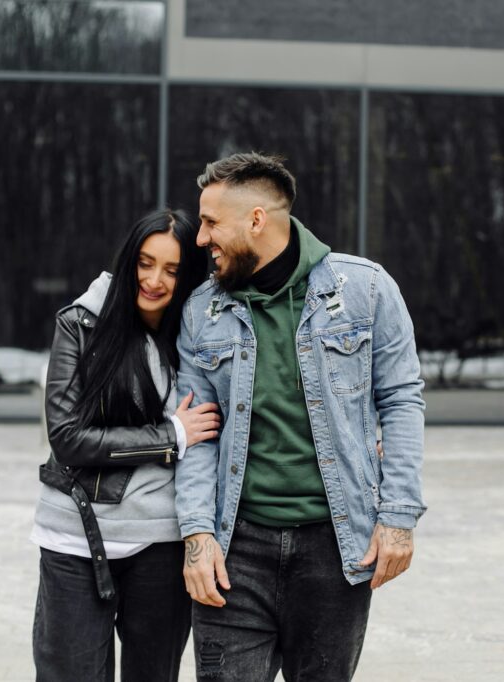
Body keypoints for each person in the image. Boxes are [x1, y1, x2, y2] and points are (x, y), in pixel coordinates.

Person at [175, 153, 426, 680]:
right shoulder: (203, 310)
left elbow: (402, 400)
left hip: (334, 550)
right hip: (234, 551)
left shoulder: (367, 289)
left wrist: (398, 518)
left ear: (257, 220)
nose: (200, 238)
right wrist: (197, 537)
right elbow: (199, 434)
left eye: (211, 222)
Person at [30, 209, 220, 682]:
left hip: (160, 541)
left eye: (172, 270)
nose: (154, 280)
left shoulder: (195, 337)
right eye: (145, 262)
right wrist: (169, 436)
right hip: (75, 536)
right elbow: (68, 437)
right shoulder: (81, 322)